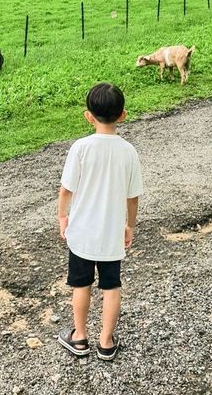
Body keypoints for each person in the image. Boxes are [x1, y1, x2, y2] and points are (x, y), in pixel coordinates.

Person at [57, 82, 143, 361]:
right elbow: (132, 197)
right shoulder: (128, 151)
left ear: (87, 116)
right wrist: (130, 225)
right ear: (123, 115)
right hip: (110, 235)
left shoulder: (80, 148)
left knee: (81, 284)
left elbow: (66, 190)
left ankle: (79, 337)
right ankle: (106, 341)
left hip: (82, 233)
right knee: (111, 286)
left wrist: (62, 216)